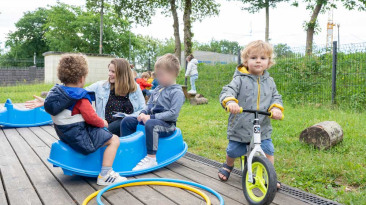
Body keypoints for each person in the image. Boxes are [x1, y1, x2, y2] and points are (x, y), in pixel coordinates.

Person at [43, 54, 126, 185]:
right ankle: (106, 174)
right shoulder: (79, 97)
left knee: (102, 134)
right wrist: (103, 122)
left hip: (66, 135)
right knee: (114, 139)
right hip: (80, 138)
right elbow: (92, 118)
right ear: (82, 79)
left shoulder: (57, 94)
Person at [218, 40, 283, 189]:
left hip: (262, 126)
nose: (258, 61)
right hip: (240, 125)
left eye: (263, 58)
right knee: (233, 149)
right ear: (246, 61)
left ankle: (270, 175)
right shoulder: (239, 79)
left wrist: (276, 109)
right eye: (253, 58)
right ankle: (228, 165)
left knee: (268, 149)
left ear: (269, 62)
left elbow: (276, 97)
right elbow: (227, 91)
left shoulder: (270, 81)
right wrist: (230, 102)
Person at [25, 58, 146, 136]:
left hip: (126, 126)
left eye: (113, 72)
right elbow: (75, 93)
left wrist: (128, 117)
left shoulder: (134, 88)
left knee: (124, 121)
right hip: (105, 126)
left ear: (122, 73)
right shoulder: (101, 86)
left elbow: (142, 109)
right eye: (109, 71)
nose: (109, 74)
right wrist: (47, 101)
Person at [121, 54, 185, 171]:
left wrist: (151, 117)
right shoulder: (158, 88)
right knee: (127, 121)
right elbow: (149, 104)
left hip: (167, 125)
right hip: (152, 119)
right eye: (157, 74)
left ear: (172, 73)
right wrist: (143, 112)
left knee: (152, 124)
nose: (157, 78)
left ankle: (151, 158)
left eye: (160, 75)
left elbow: (173, 114)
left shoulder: (177, 92)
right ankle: (129, 150)